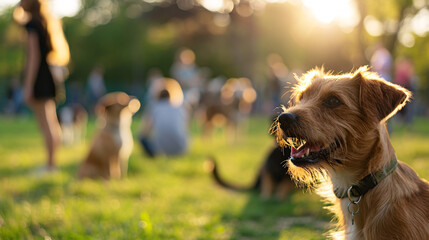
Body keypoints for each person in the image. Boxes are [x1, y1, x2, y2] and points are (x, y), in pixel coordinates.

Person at [14, 0, 70, 172]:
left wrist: (28, 86)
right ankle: (52, 164)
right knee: (51, 123)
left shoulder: (32, 24)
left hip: (39, 79)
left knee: (46, 124)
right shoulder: (45, 22)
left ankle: (50, 165)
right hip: (47, 76)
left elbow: (33, 58)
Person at [139, 88, 189, 157]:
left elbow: (146, 130)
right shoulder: (179, 108)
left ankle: (151, 157)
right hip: (181, 148)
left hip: (160, 150)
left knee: (142, 138)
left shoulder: (154, 108)